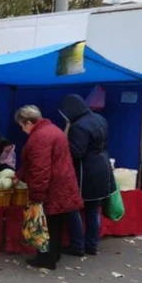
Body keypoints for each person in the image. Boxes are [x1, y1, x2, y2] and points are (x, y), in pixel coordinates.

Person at [14, 105, 83, 270]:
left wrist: (37, 195)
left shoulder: (40, 137)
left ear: (28, 122)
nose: (22, 129)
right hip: (63, 183)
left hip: (52, 186)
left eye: (22, 125)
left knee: (46, 224)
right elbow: (35, 163)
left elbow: (40, 168)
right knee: (56, 222)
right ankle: (55, 254)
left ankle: (45, 259)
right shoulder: (53, 130)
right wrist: (19, 174)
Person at [59, 94, 116, 256]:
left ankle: (77, 245)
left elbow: (75, 153)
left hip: (87, 172)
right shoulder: (99, 119)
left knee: (73, 207)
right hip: (102, 167)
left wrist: (65, 136)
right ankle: (92, 245)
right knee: (92, 209)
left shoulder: (79, 126)